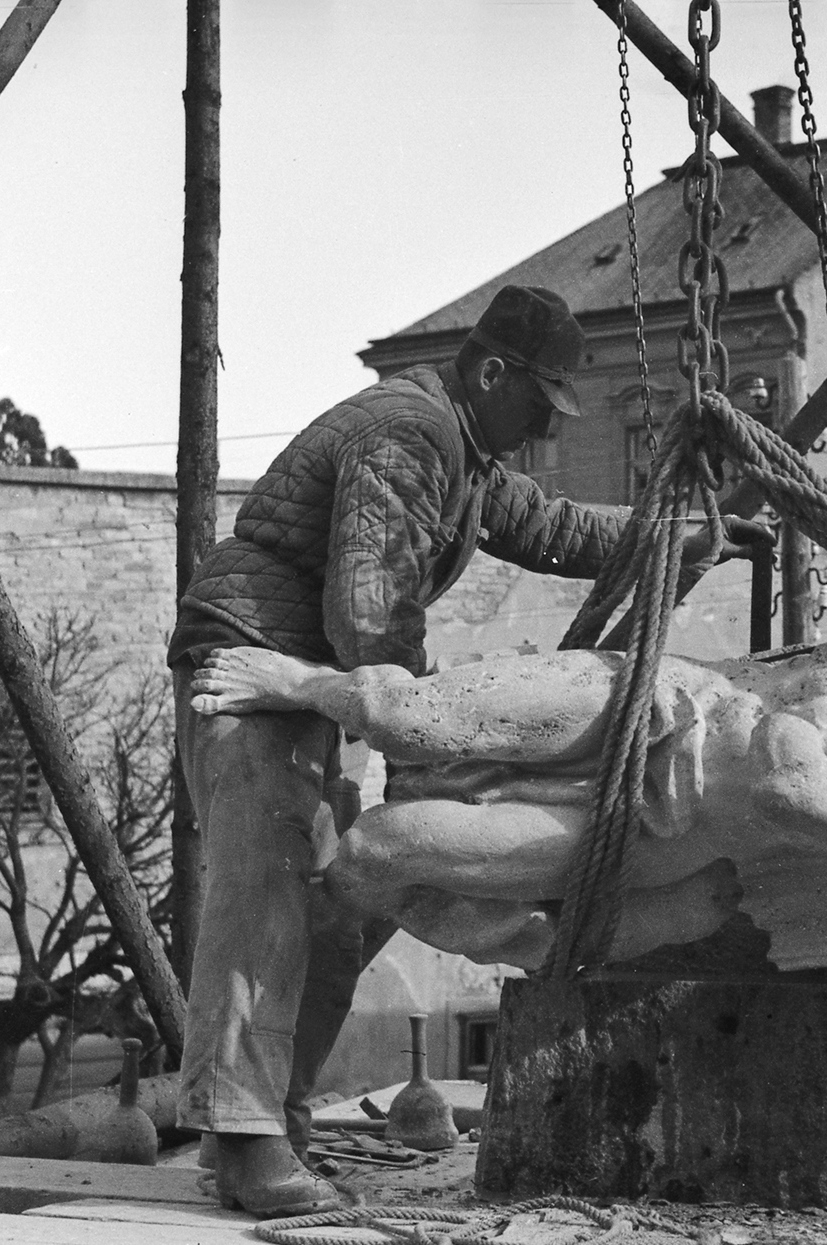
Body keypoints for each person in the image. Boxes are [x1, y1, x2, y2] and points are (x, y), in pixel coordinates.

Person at [167, 285, 768, 1217]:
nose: (541, 428)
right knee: (272, 879)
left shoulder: (470, 454)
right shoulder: (409, 435)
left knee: (344, 901)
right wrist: (417, 743)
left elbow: (558, 528)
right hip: (247, 663)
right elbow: (372, 605)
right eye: (540, 403)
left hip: (308, 679)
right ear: (491, 373)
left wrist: (685, 539)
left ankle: (261, 1120)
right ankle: (245, 1144)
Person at [182, 637, 827, 972]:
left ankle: (334, 861)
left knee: (393, 848)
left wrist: (797, 725)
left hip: (662, 826)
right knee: (417, 721)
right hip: (669, 696)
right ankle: (291, 682)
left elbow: (792, 784)